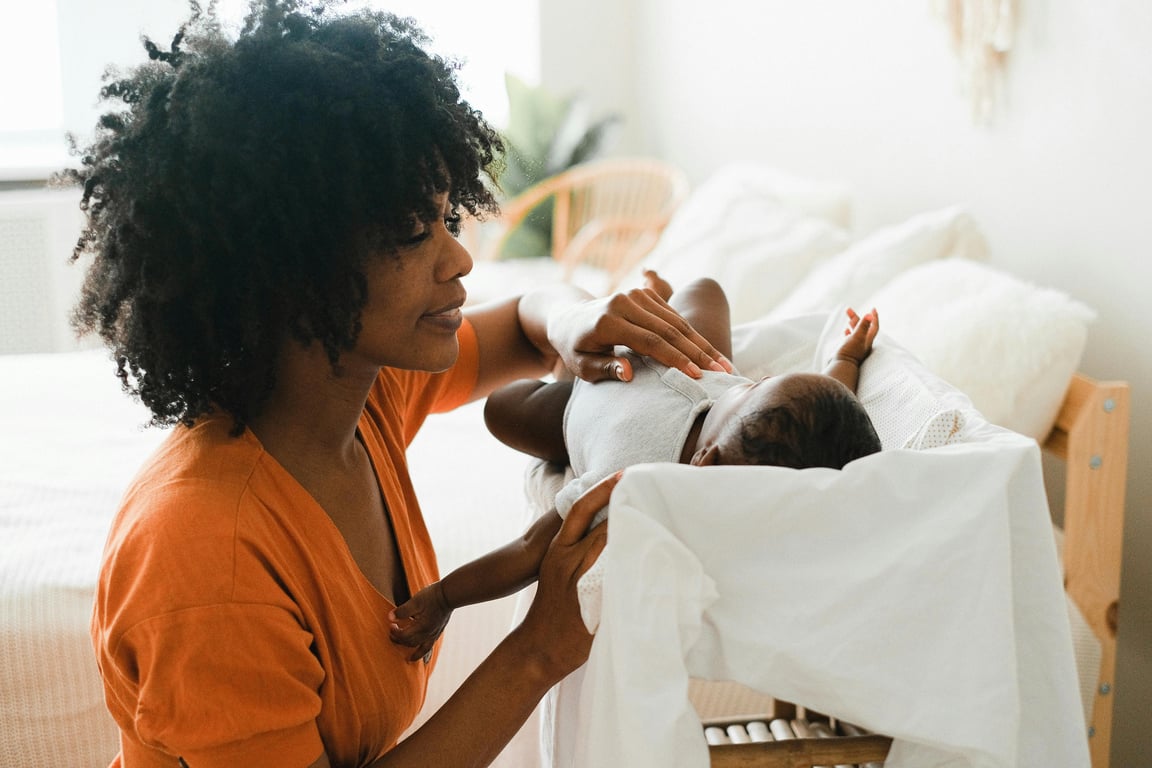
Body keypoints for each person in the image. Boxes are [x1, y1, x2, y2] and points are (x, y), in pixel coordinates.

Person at [63, 3, 731, 766]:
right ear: (291, 270)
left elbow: (519, 324)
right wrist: (536, 653)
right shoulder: (210, 561)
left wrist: (573, 317)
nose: (460, 261)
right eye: (415, 233)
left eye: (449, 218)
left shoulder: (354, 394)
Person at [388, 272, 881, 656]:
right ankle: (652, 308)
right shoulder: (722, 385)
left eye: (749, 391)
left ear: (705, 463)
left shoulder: (628, 484)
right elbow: (823, 404)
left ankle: (582, 357)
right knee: (706, 291)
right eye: (756, 384)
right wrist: (848, 358)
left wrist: (445, 597)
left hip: (578, 411)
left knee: (502, 408)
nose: (743, 386)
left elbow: (528, 550)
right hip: (679, 356)